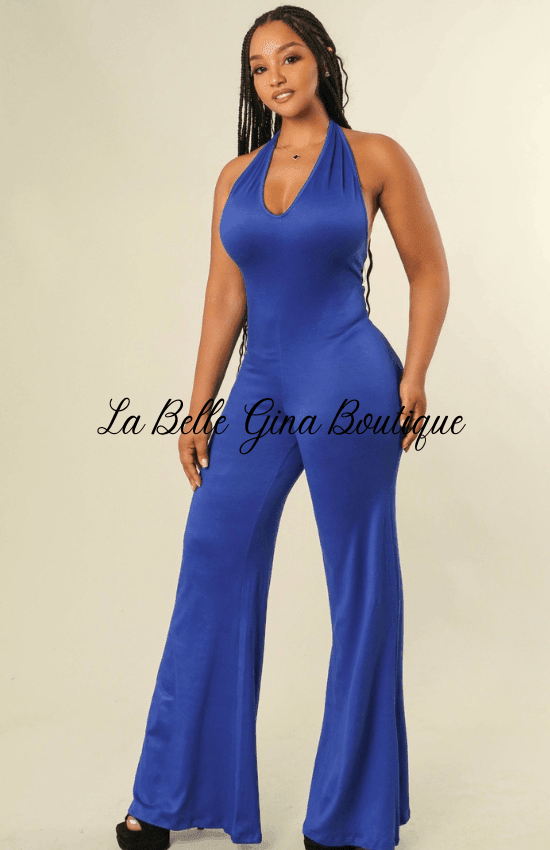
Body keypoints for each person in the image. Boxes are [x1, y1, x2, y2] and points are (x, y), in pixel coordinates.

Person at [115, 5, 449, 850]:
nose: (276, 78)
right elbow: (224, 296)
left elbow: (428, 271)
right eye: (260, 68)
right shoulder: (235, 175)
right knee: (211, 558)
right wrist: (199, 406)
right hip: (259, 387)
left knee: (359, 583)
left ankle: (348, 815)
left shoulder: (375, 157)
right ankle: (167, 795)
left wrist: (414, 375)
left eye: (290, 58)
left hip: (351, 380)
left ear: (322, 58)